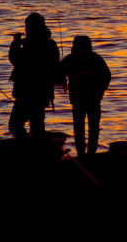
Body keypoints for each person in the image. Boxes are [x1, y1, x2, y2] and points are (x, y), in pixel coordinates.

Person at [8, 12, 62, 141]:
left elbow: (15, 59)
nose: (25, 29)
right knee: (37, 127)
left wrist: (15, 43)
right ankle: (37, 152)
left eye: (27, 26)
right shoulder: (50, 44)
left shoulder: (30, 45)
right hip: (42, 92)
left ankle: (29, 149)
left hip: (27, 92)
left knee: (15, 125)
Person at [60, 35, 112, 156]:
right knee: (94, 129)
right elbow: (107, 76)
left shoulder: (70, 59)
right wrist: (101, 91)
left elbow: (57, 73)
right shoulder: (97, 58)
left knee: (79, 129)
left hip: (77, 99)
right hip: (94, 98)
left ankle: (81, 156)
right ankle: (92, 154)